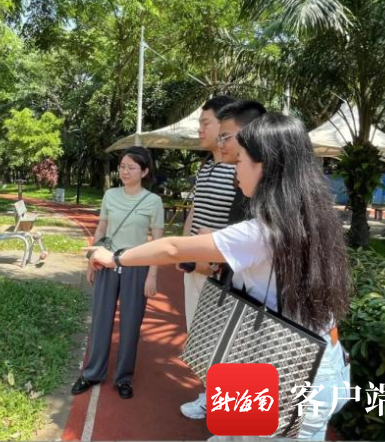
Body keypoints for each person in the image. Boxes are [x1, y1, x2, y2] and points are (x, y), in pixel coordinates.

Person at [87, 113, 351, 439]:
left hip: (281, 367)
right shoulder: (313, 218)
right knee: (235, 432)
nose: (234, 169)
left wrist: (115, 257)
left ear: (265, 165)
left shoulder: (264, 230)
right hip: (299, 356)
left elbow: (171, 248)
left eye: (240, 160)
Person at [71, 146, 164, 399]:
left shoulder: (153, 201)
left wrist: (152, 275)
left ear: (144, 171)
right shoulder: (110, 195)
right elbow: (101, 230)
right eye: (122, 166)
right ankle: (92, 373)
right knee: (100, 320)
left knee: (131, 324)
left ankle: (124, 377)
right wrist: (92, 259)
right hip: (107, 261)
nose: (124, 171)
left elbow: (157, 243)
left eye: (131, 167)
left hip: (137, 266)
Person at [180, 95, 237, 332]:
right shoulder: (206, 167)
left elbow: (242, 223)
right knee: (194, 337)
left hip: (219, 274)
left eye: (206, 123)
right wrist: (183, 252)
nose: (200, 130)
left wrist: (214, 262)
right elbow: (196, 210)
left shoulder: (239, 170)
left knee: (215, 344)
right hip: (194, 267)